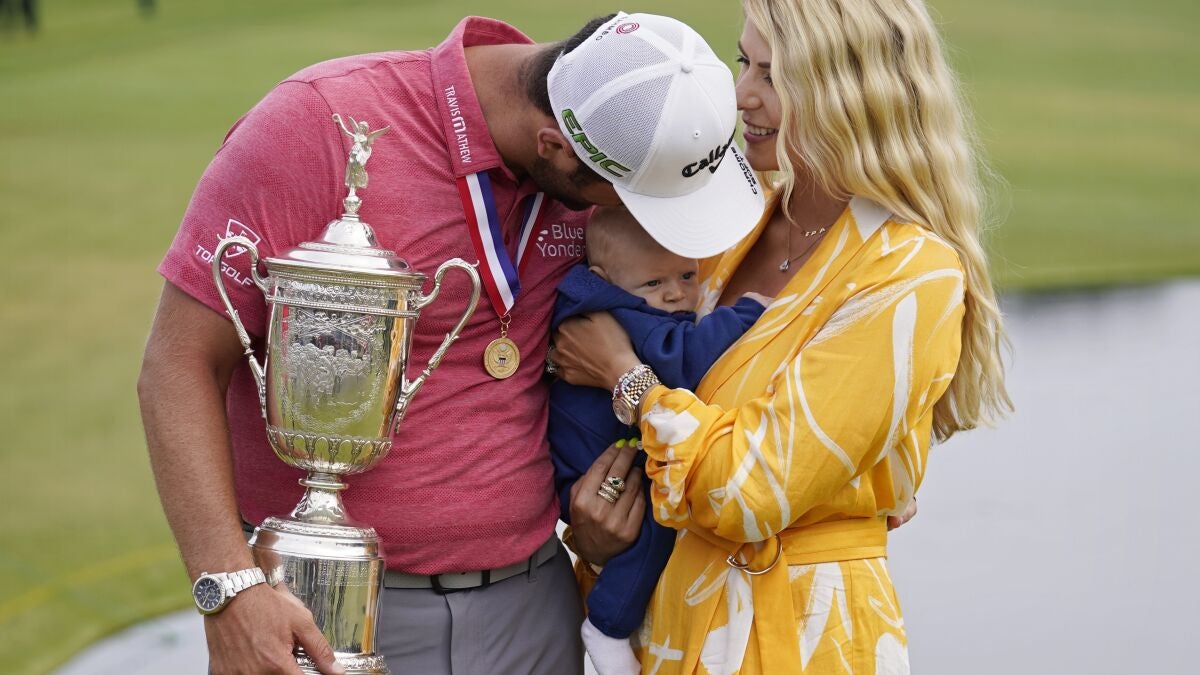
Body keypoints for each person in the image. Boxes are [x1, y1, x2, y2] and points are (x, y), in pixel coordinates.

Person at [137, 11, 763, 675]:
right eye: (636, 199)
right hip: (333, 609)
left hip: (537, 602)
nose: (646, 220)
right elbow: (178, 362)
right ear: (554, 146)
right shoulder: (319, 124)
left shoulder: (609, 146)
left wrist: (598, 522)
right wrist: (229, 587)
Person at [550, 0, 1013, 672]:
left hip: (798, 634)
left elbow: (747, 490)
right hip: (662, 624)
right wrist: (598, 532)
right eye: (744, 62)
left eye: (773, 75)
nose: (741, 94)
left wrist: (626, 377)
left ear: (850, 92)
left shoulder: (909, 272)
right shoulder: (727, 226)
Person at [547, 205, 769, 674]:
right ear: (604, 277)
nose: (675, 294)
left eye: (687, 275)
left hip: (592, 454)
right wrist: (747, 313)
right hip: (595, 465)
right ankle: (607, 625)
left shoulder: (609, 297)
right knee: (657, 525)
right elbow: (680, 360)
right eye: (654, 282)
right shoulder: (622, 313)